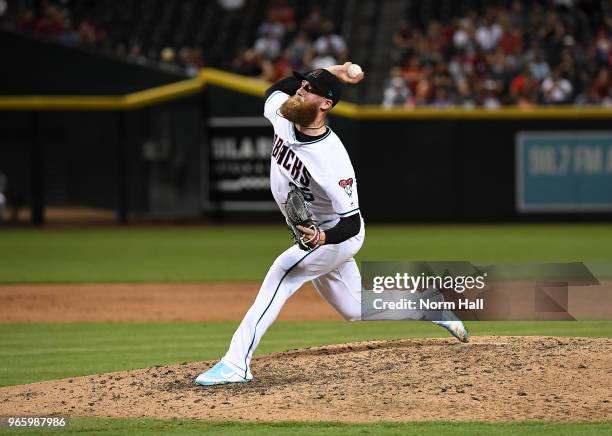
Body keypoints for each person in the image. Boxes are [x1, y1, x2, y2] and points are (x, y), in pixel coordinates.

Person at [195, 63, 468, 386]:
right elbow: (272, 92)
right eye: (301, 85)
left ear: (326, 104)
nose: (299, 90)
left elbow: (352, 224)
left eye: (309, 89)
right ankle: (427, 306)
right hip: (316, 234)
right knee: (354, 308)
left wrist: (323, 236)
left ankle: (236, 363)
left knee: (282, 274)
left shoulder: (332, 160)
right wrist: (329, 71)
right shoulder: (284, 114)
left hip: (336, 236)